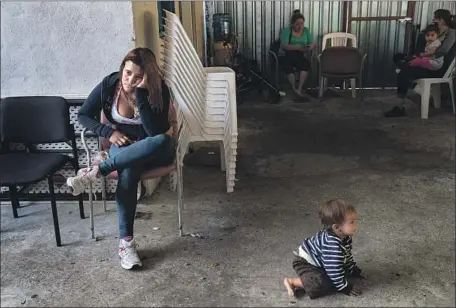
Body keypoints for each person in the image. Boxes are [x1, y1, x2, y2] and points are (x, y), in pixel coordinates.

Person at [66, 47, 176, 270]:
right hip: (123, 146)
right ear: (122, 68)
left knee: (163, 141)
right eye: (127, 73)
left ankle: (98, 170)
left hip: (154, 149)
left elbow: (155, 131)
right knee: (128, 170)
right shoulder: (110, 84)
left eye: (138, 77)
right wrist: (109, 133)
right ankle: (127, 245)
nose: (130, 80)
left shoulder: (159, 90)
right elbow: (83, 115)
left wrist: (141, 94)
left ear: (148, 77)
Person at [283, 199, 366, 299]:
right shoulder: (332, 245)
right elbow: (334, 270)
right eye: (351, 222)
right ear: (337, 228)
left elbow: (346, 255)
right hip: (305, 262)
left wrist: (352, 269)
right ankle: (292, 282)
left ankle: (327, 274)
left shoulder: (344, 236)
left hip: (321, 260)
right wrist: (345, 288)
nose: (355, 225)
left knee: (339, 270)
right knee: (323, 283)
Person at [278, 9, 314, 98]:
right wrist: (298, 47)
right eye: (297, 24)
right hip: (286, 55)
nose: (300, 26)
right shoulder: (287, 31)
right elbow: (284, 46)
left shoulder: (306, 31)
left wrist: (310, 47)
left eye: (302, 23)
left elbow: (311, 43)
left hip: (299, 55)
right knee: (288, 68)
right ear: (292, 24)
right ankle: (294, 88)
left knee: (305, 66)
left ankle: (299, 88)